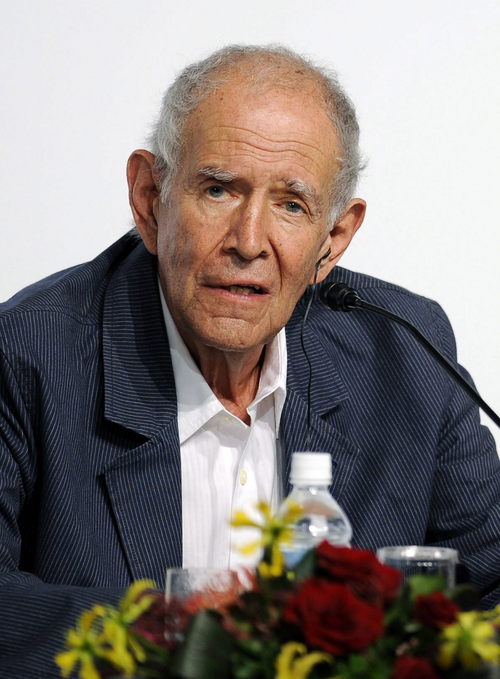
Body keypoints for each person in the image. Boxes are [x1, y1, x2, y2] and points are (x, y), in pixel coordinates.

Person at [0, 45, 498, 677]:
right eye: (217, 190)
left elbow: (489, 588)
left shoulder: (405, 355)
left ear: (334, 239)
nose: (248, 241)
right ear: (150, 199)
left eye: (291, 204)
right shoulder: (27, 353)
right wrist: (200, 637)